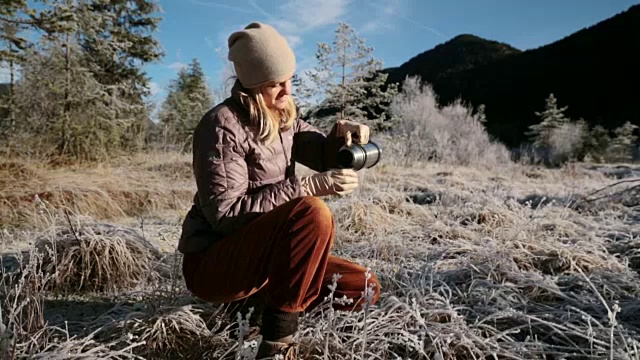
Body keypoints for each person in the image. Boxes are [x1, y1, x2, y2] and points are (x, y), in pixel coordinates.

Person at [178, 22, 381, 359]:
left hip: (266, 256)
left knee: (362, 288)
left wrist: (343, 139)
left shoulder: (282, 114)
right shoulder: (221, 125)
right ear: (252, 85)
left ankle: (252, 308)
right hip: (214, 264)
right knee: (312, 212)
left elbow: (321, 153)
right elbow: (226, 215)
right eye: (276, 85)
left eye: (290, 80)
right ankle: (277, 342)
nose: (287, 92)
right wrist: (310, 186)